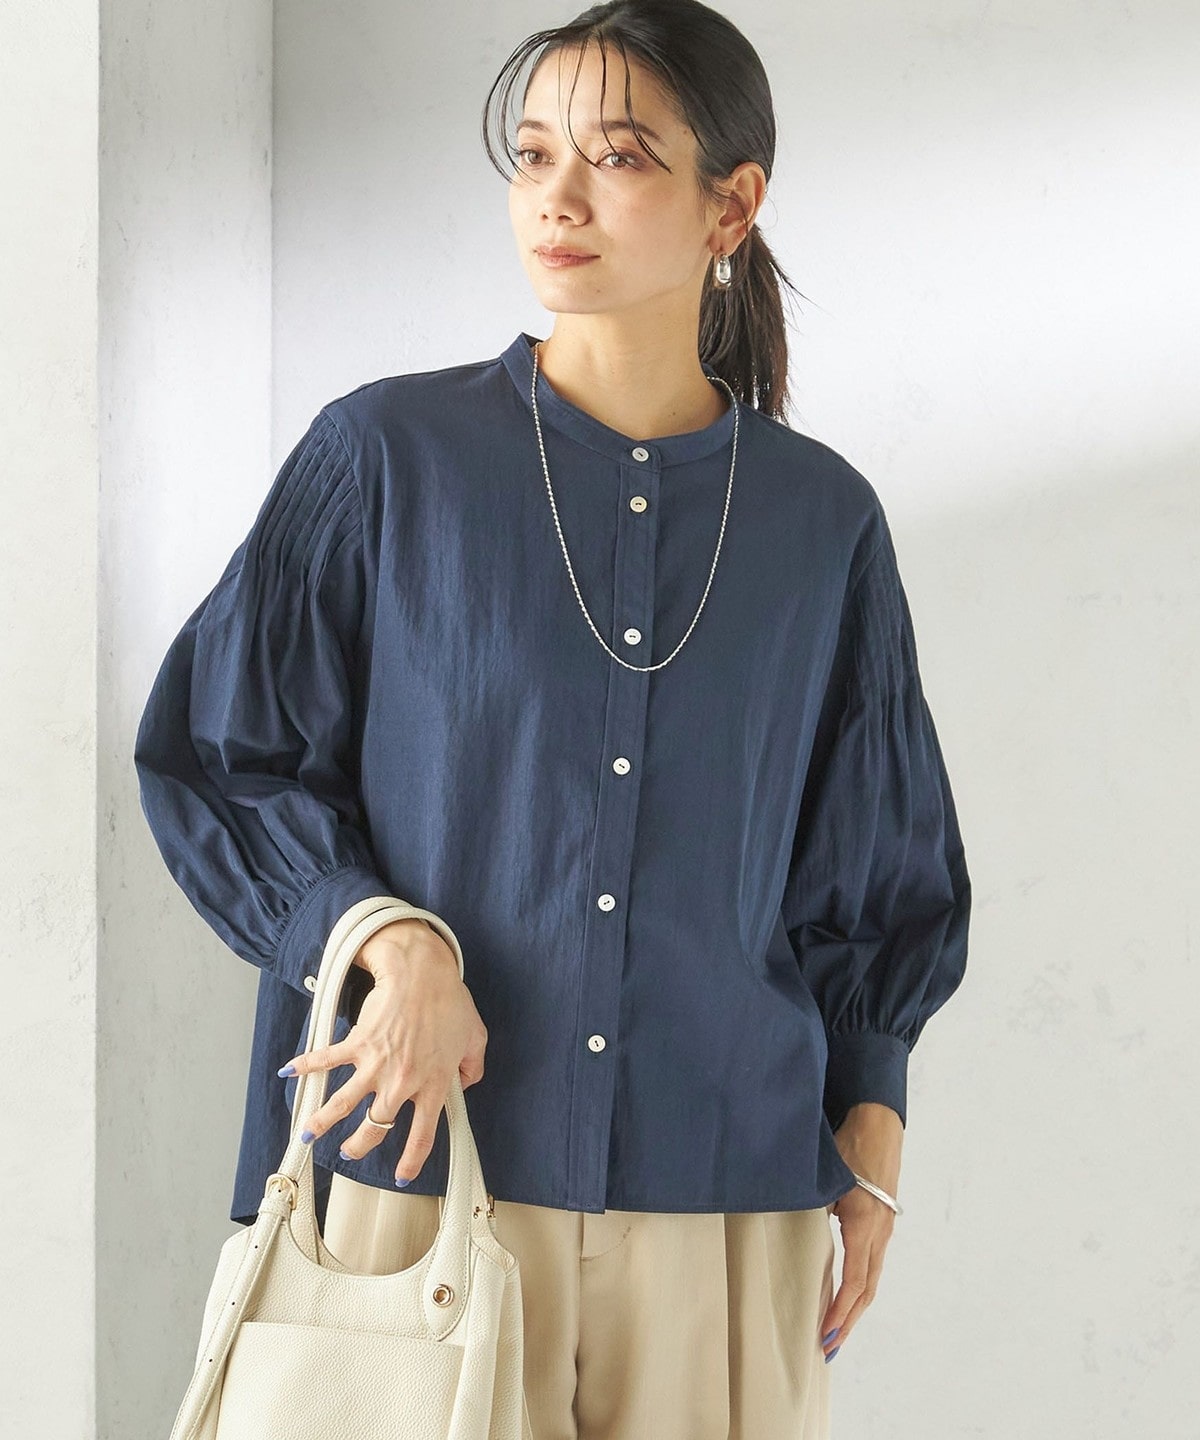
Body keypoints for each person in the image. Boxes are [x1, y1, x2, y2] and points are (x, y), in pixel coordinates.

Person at [133, 2, 970, 1435]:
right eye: (533, 155)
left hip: (719, 1214)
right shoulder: (386, 457)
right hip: (409, 1181)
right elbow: (223, 755)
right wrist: (382, 939)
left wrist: (872, 1140)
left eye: (621, 157)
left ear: (733, 205)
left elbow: (875, 876)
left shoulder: (820, 521)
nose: (558, 198)